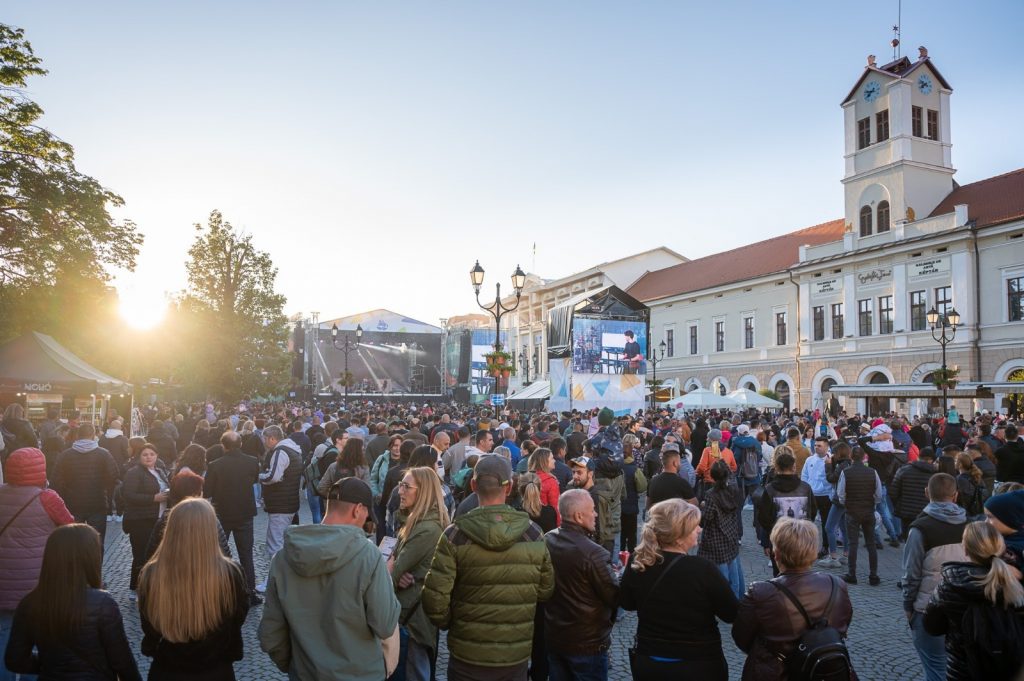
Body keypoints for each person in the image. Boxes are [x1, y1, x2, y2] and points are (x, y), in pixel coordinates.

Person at [422, 454, 554, 681]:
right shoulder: (532, 534)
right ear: (510, 486)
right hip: (513, 652)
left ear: (473, 485)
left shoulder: (454, 535)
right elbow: (545, 589)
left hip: (467, 653)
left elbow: (435, 599)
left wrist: (453, 622)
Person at [259, 477, 401, 681]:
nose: (367, 520)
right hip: (361, 674)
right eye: (367, 515)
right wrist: (386, 577)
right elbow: (385, 624)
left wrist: (295, 667)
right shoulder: (368, 557)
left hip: (305, 673)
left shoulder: (282, 559)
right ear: (358, 510)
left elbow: (271, 634)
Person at [4, 524, 141, 680]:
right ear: (90, 558)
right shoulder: (103, 603)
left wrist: (51, 666)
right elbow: (122, 662)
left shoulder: (29, 603)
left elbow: (15, 660)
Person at [620, 498, 738, 680]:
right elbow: (731, 613)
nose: (699, 529)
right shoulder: (702, 569)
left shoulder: (640, 561)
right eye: (694, 527)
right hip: (698, 663)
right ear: (678, 536)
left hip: (651, 661)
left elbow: (627, 603)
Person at [138, 498, 249, 680]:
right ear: (211, 529)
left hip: (166, 670)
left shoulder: (151, 574)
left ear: (170, 530)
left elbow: (149, 624)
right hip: (217, 670)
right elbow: (237, 617)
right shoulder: (231, 573)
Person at [732, 518, 853, 681]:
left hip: (774, 673)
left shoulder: (761, 592)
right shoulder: (838, 585)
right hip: (825, 671)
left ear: (777, 553)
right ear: (814, 552)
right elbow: (842, 627)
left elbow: (741, 637)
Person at [0, 447, 74, 680]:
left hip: (3, 582)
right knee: (36, 637)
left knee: (3, 634)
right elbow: (72, 529)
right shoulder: (47, 498)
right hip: (37, 582)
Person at [924, 520, 1024, 680]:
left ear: (965, 549)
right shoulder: (1015, 582)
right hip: (1008, 669)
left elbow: (932, 627)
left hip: (962, 670)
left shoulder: (950, 584)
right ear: (1001, 547)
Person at [543, 489, 619, 681]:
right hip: (587, 645)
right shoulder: (594, 554)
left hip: (555, 637)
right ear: (578, 516)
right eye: (592, 510)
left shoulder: (547, 539)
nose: (595, 514)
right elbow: (614, 596)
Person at [900, 472, 969, 681]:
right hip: (964, 607)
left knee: (936, 669)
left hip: (929, 607)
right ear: (955, 495)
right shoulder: (972, 526)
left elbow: (911, 573)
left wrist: (908, 606)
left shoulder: (920, 529)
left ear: (926, 493)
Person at [389, 467, 450, 681]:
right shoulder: (417, 522)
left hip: (413, 620)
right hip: (411, 614)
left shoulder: (426, 529)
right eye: (400, 485)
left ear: (423, 492)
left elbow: (392, 574)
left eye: (406, 486)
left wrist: (393, 566)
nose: (400, 491)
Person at [205, 429, 261, 603]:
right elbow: (254, 481)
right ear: (241, 444)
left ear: (224, 446)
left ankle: (221, 592)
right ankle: (249, 592)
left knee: (220, 555)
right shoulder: (253, 462)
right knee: (246, 554)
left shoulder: (215, 465)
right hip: (245, 513)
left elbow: (208, 491)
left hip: (222, 514)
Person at [52, 422, 119, 548]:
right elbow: (114, 476)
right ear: (93, 435)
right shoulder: (104, 454)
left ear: (78, 435)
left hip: (72, 503)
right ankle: (94, 567)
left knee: (73, 542)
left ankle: (74, 566)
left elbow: (56, 481)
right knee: (96, 541)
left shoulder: (65, 455)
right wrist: (103, 487)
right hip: (97, 503)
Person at [121, 441, 170, 598]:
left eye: (152, 454)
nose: (149, 457)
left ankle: (152, 586)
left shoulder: (160, 471)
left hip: (159, 518)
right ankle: (135, 588)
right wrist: (153, 498)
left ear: (157, 456)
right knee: (141, 554)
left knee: (156, 554)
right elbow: (128, 495)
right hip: (140, 520)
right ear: (139, 457)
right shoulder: (134, 473)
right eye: (145, 454)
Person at [257, 425, 302, 592]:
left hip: (281, 504)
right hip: (290, 502)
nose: (263, 443)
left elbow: (273, 476)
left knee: (274, 544)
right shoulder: (294, 449)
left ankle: (272, 582)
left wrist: (259, 476)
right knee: (283, 543)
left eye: (264, 439)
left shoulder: (280, 451)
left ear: (271, 438)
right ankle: (284, 579)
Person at [756, 451, 816, 576]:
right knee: (802, 574)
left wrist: (767, 541)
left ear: (776, 468)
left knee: (779, 575)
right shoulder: (806, 488)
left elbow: (763, 518)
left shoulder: (770, 489)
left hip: (779, 540)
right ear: (794, 467)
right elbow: (812, 512)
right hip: (802, 539)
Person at [837, 445, 883, 585]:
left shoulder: (846, 472)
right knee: (871, 544)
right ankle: (873, 575)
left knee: (853, 543)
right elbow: (879, 494)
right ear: (864, 457)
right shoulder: (872, 472)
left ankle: (852, 574)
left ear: (851, 456)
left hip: (852, 511)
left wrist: (847, 503)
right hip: (868, 510)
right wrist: (872, 503)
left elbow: (840, 494)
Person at [700, 460, 744, 598]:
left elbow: (706, 519)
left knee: (723, 578)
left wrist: (702, 507)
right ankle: (738, 602)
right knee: (735, 576)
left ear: (712, 476)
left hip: (716, 539)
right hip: (731, 534)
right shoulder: (734, 489)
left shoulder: (711, 495)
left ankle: (726, 608)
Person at [891, 447, 938, 538]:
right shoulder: (936, 474)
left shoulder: (904, 470)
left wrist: (900, 505)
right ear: (931, 460)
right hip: (928, 512)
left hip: (906, 512)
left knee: (908, 539)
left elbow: (893, 492)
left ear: (918, 457)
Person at [802, 436, 834, 556]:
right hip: (812, 495)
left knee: (826, 523)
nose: (816, 448)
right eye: (815, 445)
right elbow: (804, 476)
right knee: (808, 522)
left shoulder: (831, 460)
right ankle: (807, 546)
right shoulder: (809, 460)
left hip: (826, 496)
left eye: (819, 446)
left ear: (826, 447)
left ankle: (825, 547)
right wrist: (806, 489)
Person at [620, 434, 647, 554]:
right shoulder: (634, 469)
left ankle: (619, 555)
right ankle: (630, 556)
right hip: (631, 506)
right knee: (631, 534)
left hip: (617, 507)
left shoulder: (614, 467)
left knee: (619, 534)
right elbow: (642, 487)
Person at [527, 448, 562, 527]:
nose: (555, 461)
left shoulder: (528, 478)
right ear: (544, 461)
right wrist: (559, 526)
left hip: (530, 523)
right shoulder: (551, 482)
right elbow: (555, 507)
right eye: (552, 458)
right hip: (547, 524)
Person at [955, 452, 989, 519]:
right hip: (979, 511)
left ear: (960, 464)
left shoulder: (960, 479)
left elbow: (964, 498)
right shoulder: (976, 476)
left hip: (968, 513)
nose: (954, 462)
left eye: (955, 460)